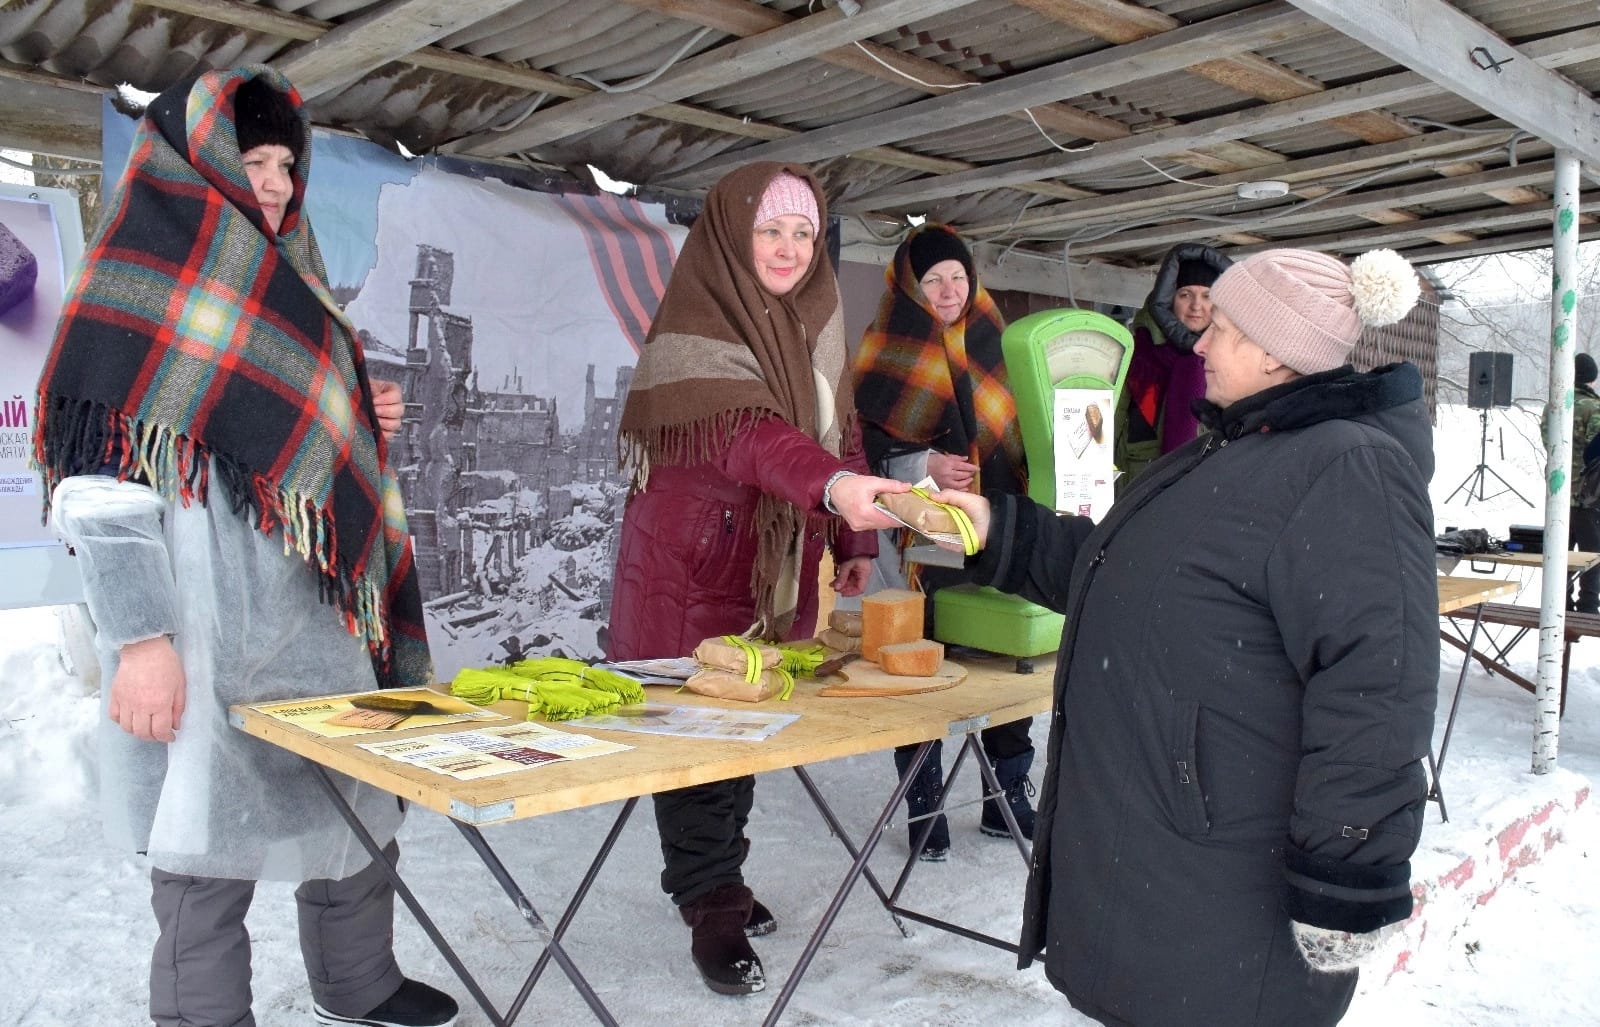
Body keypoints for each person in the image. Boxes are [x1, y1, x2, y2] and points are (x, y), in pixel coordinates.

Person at [32, 67, 457, 1027]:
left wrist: (357, 415)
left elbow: (286, 430)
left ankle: (357, 981)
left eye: (282, 164)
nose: (271, 182)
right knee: (203, 847)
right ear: (199, 159)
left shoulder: (291, 273)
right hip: (203, 632)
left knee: (354, 805)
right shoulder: (131, 281)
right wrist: (141, 641)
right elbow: (97, 492)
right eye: (251, 159)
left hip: (316, 616)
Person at [934, 248, 1436, 1026]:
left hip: (1226, 889)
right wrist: (998, 527)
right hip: (1168, 865)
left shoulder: (1345, 468)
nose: (1198, 343)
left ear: (1275, 352)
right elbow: (1126, 573)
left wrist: (1343, 880)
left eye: (1224, 329)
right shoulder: (1238, 447)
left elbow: (1379, 688)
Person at [606, 162, 906, 996]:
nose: (788, 248)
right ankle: (711, 905)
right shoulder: (699, 320)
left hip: (767, 559)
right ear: (732, 234)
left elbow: (836, 424)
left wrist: (848, 530)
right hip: (691, 563)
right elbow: (750, 437)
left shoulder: (813, 314)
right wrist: (834, 488)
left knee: (743, 730)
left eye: (804, 232)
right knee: (701, 742)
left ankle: (719, 881)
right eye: (770, 229)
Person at [851, 223, 1036, 860]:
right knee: (921, 661)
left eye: (958, 276)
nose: (950, 289)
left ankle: (1007, 796)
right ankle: (925, 807)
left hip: (1002, 524)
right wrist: (922, 465)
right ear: (910, 287)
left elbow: (1027, 427)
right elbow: (865, 445)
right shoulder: (886, 349)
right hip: (926, 540)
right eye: (934, 280)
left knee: (1006, 661)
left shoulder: (998, 341)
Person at [1113, 242, 1231, 489]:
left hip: (1210, 488)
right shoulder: (1139, 353)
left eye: (1207, 295)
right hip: (1137, 485)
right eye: (1185, 294)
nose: (1196, 305)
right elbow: (1109, 421)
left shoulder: (1236, 358)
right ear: (1168, 299)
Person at [1564, 353, 1600, 612]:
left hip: (1560, 493)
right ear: (1592, 379)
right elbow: (1595, 451)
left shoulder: (1555, 404)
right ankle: (1589, 604)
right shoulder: (1593, 408)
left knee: (1561, 552)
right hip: (1590, 495)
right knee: (1592, 554)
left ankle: (1561, 599)